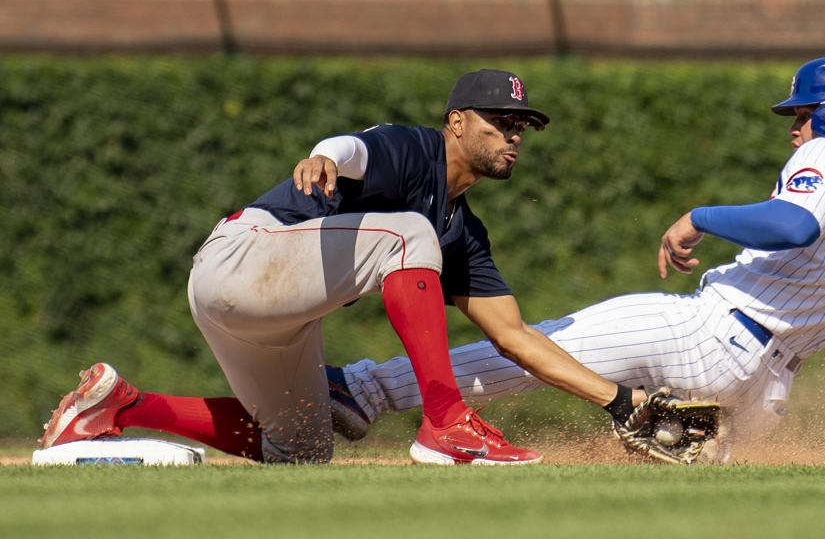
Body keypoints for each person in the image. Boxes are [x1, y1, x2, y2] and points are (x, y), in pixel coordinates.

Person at [325, 56, 825, 460]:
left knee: (539, 344)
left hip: (714, 331)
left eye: (805, 112)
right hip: (770, 386)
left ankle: (363, 393)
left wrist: (697, 216)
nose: (794, 126)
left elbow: (789, 225)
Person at [37, 69, 583, 465]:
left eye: (521, 125)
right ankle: (447, 421)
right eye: (499, 120)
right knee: (409, 232)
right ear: (457, 122)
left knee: (299, 446)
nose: (512, 133)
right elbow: (353, 150)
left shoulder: (462, 230)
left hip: (264, 310)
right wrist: (323, 154)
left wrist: (618, 400)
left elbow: (513, 335)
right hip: (243, 255)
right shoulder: (417, 150)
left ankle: (119, 408)